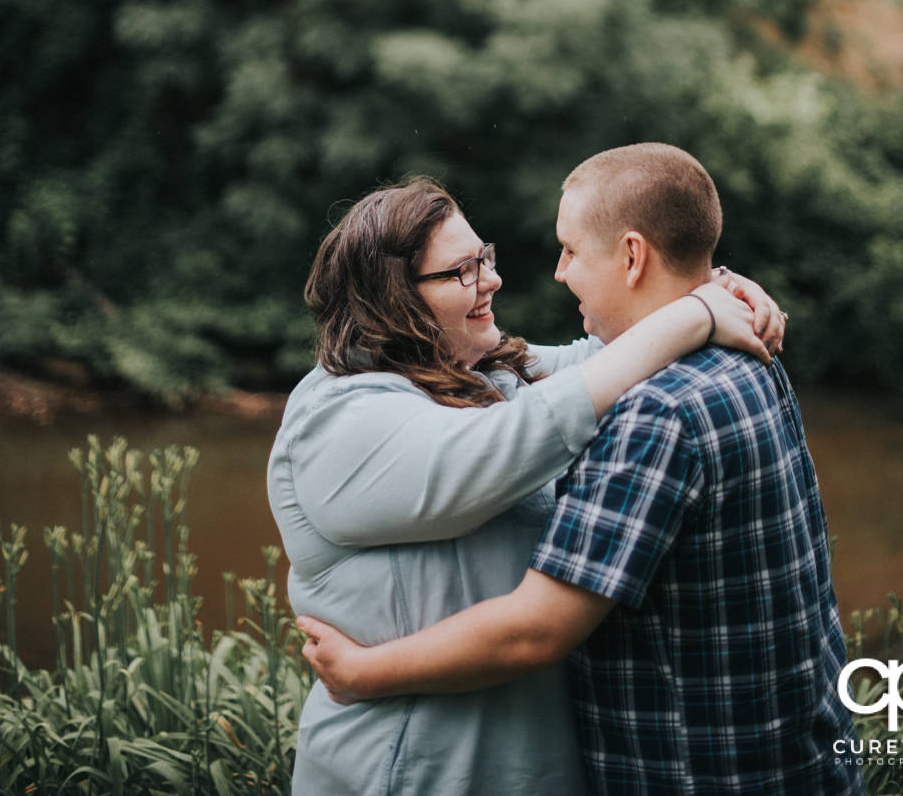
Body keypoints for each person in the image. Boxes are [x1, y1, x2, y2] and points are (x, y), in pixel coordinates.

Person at [299, 147, 861, 796]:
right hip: (801, 764)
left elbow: (535, 630)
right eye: (464, 269)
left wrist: (362, 673)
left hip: (696, 775)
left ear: (631, 256)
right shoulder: (749, 356)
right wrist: (709, 295)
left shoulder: (654, 413)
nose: (555, 272)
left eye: (570, 250)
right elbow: (541, 409)